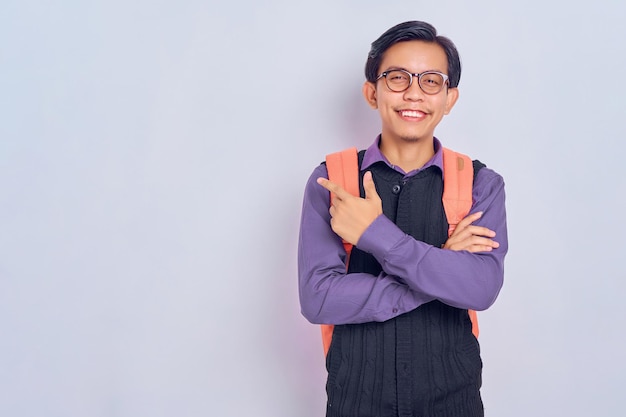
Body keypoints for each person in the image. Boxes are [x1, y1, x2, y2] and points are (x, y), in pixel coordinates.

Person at [297, 20, 508, 417]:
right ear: (371, 92)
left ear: (450, 98)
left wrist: (374, 234)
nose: (413, 93)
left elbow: (480, 289)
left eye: (431, 81)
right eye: (397, 78)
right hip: (354, 403)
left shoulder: (480, 183)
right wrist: (442, 264)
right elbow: (318, 298)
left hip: (454, 403)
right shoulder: (333, 181)